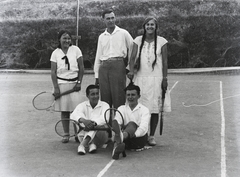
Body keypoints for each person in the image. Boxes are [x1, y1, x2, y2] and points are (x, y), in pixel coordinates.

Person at [127, 17, 171, 146]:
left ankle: (151, 136)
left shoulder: (162, 42)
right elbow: (132, 57)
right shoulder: (137, 40)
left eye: (152, 25)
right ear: (144, 26)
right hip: (140, 79)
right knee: (140, 108)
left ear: (156, 27)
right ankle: (141, 134)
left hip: (156, 80)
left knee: (154, 109)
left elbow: (165, 62)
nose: (150, 27)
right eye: (148, 25)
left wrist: (164, 79)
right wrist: (130, 71)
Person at [94, 8, 133, 110]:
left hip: (118, 66)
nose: (111, 20)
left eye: (112, 18)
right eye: (108, 18)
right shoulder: (101, 36)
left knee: (119, 97)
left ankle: (118, 124)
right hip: (104, 67)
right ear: (104, 20)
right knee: (105, 99)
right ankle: (108, 125)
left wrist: (129, 67)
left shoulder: (123, 33)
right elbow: (98, 55)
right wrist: (96, 75)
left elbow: (134, 49)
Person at [50, 30, 84, 143]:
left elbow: (81, 67)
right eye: (64, 38)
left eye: (69, 38)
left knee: (76, 111)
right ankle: (66, 134)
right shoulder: (55, 53)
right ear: (59, 39)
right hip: (61, 84)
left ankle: (77, 134)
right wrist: (56, 87)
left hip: (75, 84)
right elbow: (53, 72)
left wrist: (79, 83)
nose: (67, 40)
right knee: (64, 111)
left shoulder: (76, 50)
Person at [111, 83, 150, 160]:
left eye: (133, 95)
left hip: (138, 140)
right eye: (128, 95)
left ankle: (119, 141)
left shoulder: (144, 110)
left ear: (139, 96)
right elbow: (117, 122)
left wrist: (131, 135)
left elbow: (143, 128)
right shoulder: (121, 108)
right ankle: (117, 147)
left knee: (132, 124)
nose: (130, 97)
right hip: (126, 140)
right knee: (117, 124)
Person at [70, 85, 110, 155]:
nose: (95, 96)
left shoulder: (105, 105)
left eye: (97, 93)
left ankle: (82, 145)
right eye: (92, 94)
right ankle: (91, 143)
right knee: (81, 117)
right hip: (82, 135)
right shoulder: (82, 105)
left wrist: (92, 123)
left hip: (101, 137)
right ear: (87, 95)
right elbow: (73, 115)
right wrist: (83, 121)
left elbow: (104, 119)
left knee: (96, 125)